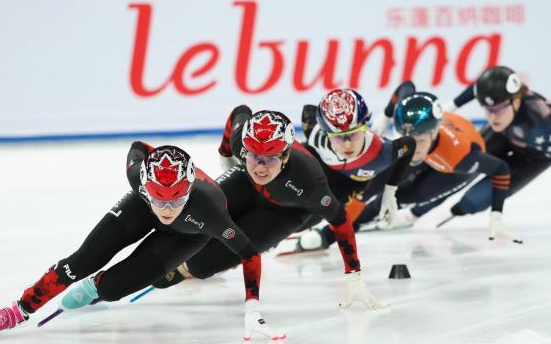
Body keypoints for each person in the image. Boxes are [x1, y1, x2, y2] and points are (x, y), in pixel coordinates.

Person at [0, 144, 281, 341]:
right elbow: (138, 147)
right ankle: (19, 309)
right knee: (82, 261)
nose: (168, 209)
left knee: (114, 288)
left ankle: (94, 289)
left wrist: (252, 305)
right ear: (144, 187)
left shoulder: (211, 207)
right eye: (161, 200)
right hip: (138, 210)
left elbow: (249, 253)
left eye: (177, 200)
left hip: (189, 235)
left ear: (189, 191)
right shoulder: (137, 177)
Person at [123, 107, 387, 311]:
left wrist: (354, 278)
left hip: (284, 212)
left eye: (270, 158)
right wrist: (227, 156)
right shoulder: (243, 144)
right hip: (244, 182)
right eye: (253, 155)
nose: (261, 166)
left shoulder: (311, 182)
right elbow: (240, 112)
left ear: (284, 156)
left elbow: (341, 222)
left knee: (201, 264)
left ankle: (185, 270)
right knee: (188, 217)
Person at [353, 83, 520, 242]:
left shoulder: (461, 158)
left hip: (453, 169)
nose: (412, 145)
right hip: (432, 149)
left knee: (398, 197)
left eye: (418, 140)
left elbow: (501, 168)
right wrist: (386, 115)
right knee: (373, 182)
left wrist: (496, 214)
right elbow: (406, 86)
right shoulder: (411, 120)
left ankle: (398, 217)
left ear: (433, 134)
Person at [440, 65, 551, 239]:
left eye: (498, 109)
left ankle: (458, 208)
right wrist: (449, 107)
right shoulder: (501, 99)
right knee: (462, 164)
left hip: (533, 158)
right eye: (488, 109)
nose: (493, 116)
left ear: (516, 102)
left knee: (471, 202)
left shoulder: (542, 128)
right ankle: (414, 212)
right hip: (506, 132)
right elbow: (478, 89)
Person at [290, 88, 416, 252]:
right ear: (325, 133)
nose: (348, 144)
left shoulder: (382, 153)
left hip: (349, 184)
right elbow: (308, 110)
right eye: (339, 137)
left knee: (300, 224)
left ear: (364, 126)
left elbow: (410, 145)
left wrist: (390, 191)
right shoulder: (315, 135)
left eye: (354, 134)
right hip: (321, 165)